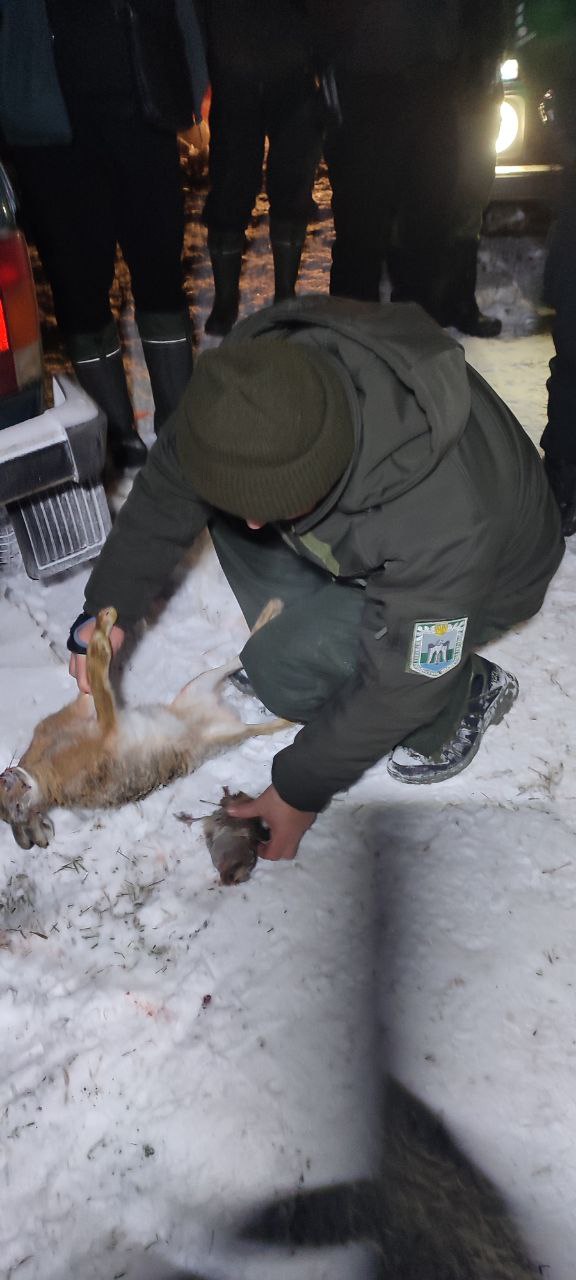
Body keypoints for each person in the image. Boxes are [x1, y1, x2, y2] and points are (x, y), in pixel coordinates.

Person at [67, 296, 563, 862]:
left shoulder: (441, 519)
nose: (254, 522)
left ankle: (462, 698)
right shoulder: (248, 391)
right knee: (233, 515)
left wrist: (299, 790)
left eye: (272, 505)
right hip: (374, 530)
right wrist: (105, 606)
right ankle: (320, 628)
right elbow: (169, 490)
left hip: (493, 575)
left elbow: (404, 678)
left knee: (286, 674)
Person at [0, 0, 207, 469]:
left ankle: (180, 423)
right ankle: (116, 431)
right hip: (52, 132)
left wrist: (189, 85)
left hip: (143, 109)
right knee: (78, 286)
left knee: (159, 269)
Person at [196, 0, 322, 336]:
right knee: (229, 186)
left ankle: (285, 295)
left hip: (295, 73)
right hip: (234, 71)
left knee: (293, 183)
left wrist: (321, 56)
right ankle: (225, 299)